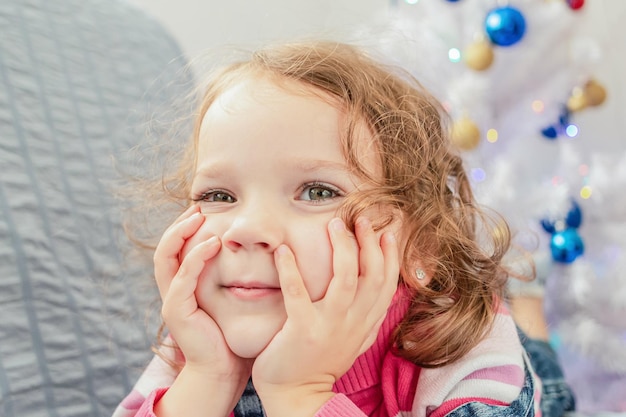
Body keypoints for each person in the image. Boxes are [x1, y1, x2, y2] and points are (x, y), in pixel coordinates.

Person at [113, 41, 575, 417]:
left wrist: (301, 394)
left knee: (552, 387)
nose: (246, 228)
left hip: (501, 365)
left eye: (316, 192)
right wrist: (208, 378)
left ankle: (528, 309)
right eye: (218, 196)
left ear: (419, 246)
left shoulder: (457, 336)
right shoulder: (203, 332)